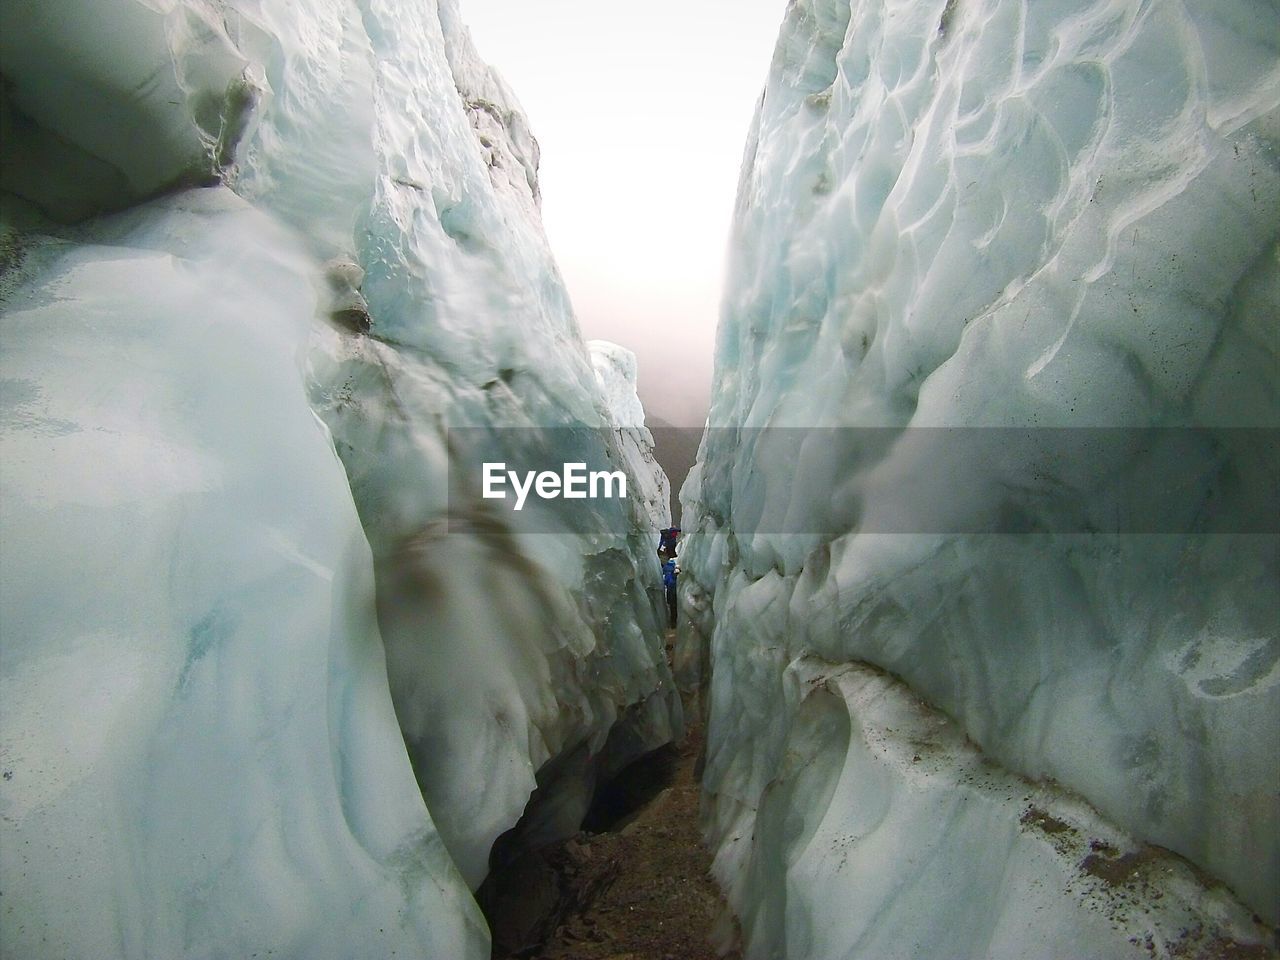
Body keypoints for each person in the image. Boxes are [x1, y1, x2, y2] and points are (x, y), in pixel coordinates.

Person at [662, 556, 678, 629]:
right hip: (675, 595)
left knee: (672, 609)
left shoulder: (668, 574)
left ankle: (673, 623)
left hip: (670, 594)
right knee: (675, 608)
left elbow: (665, 582)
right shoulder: (676, 578)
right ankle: (675, 622)